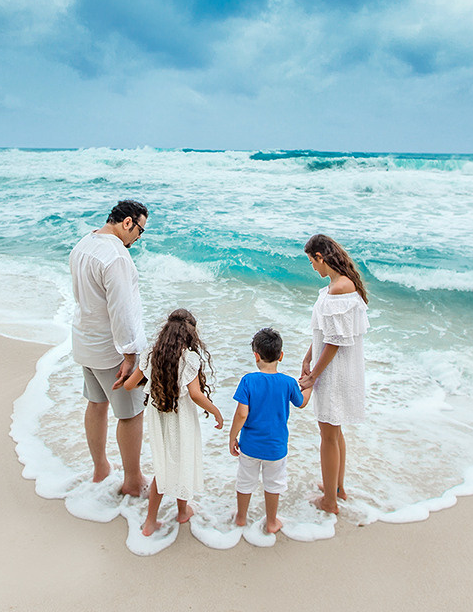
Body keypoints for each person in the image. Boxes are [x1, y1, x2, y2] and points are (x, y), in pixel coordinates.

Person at [69, 199, 150, 496]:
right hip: (110, 349)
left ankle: (100, 468)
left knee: (96, 403)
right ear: (128, 222)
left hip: (85, 340)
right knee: (131, 413)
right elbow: (121, 310)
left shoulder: (84, 244)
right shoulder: (116, 256)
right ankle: (133, 481)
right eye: (140, 231)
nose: (138, 238)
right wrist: (130, 354)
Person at [123, 309, 223, 536]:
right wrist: (216, 412)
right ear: (190, 334)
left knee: (163, 467)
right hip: (182, 419)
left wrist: (149, 381)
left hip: (158, 418)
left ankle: (150, 522)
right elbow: (195, 394)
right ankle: (182, 511)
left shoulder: (152, 355)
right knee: (183, 462)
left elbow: (129, 385)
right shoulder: (189, 358)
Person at [299, 233, 369, 515]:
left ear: (320, 257)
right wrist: (308, 356)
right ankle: (337, 488)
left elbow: (335, 341)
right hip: (333, 366)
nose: (312, 268)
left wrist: (313, 375)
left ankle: (330, 502)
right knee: (334, 431)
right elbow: (325, 332)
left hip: (334, 370)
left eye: (312, 262)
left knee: (328, 434)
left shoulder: (340, 288)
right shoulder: (340, 284)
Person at [229, 327, 312, 534]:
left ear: (256, 356)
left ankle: (241, 518)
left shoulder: (248, 380)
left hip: (250, 446)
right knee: (274, 484)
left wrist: (232, 437)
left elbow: (241, 414)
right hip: (276, 448)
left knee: (245, 481)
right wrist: (310, 385)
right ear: (281, 356)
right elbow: (301, 403)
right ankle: (272, 522)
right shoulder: (288, 383)